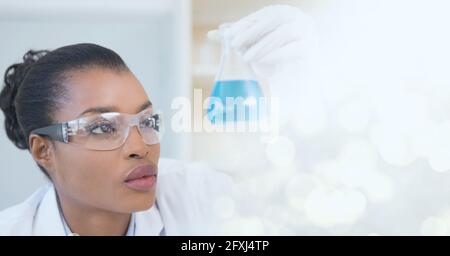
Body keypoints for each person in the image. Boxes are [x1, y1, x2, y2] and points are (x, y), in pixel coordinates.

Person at [0, 5, 313, 235]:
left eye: (147, 121)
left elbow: (303, 209)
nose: (141, 147)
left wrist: (304, 93)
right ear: (43, 150)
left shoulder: (193, 195)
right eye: (103, 127)